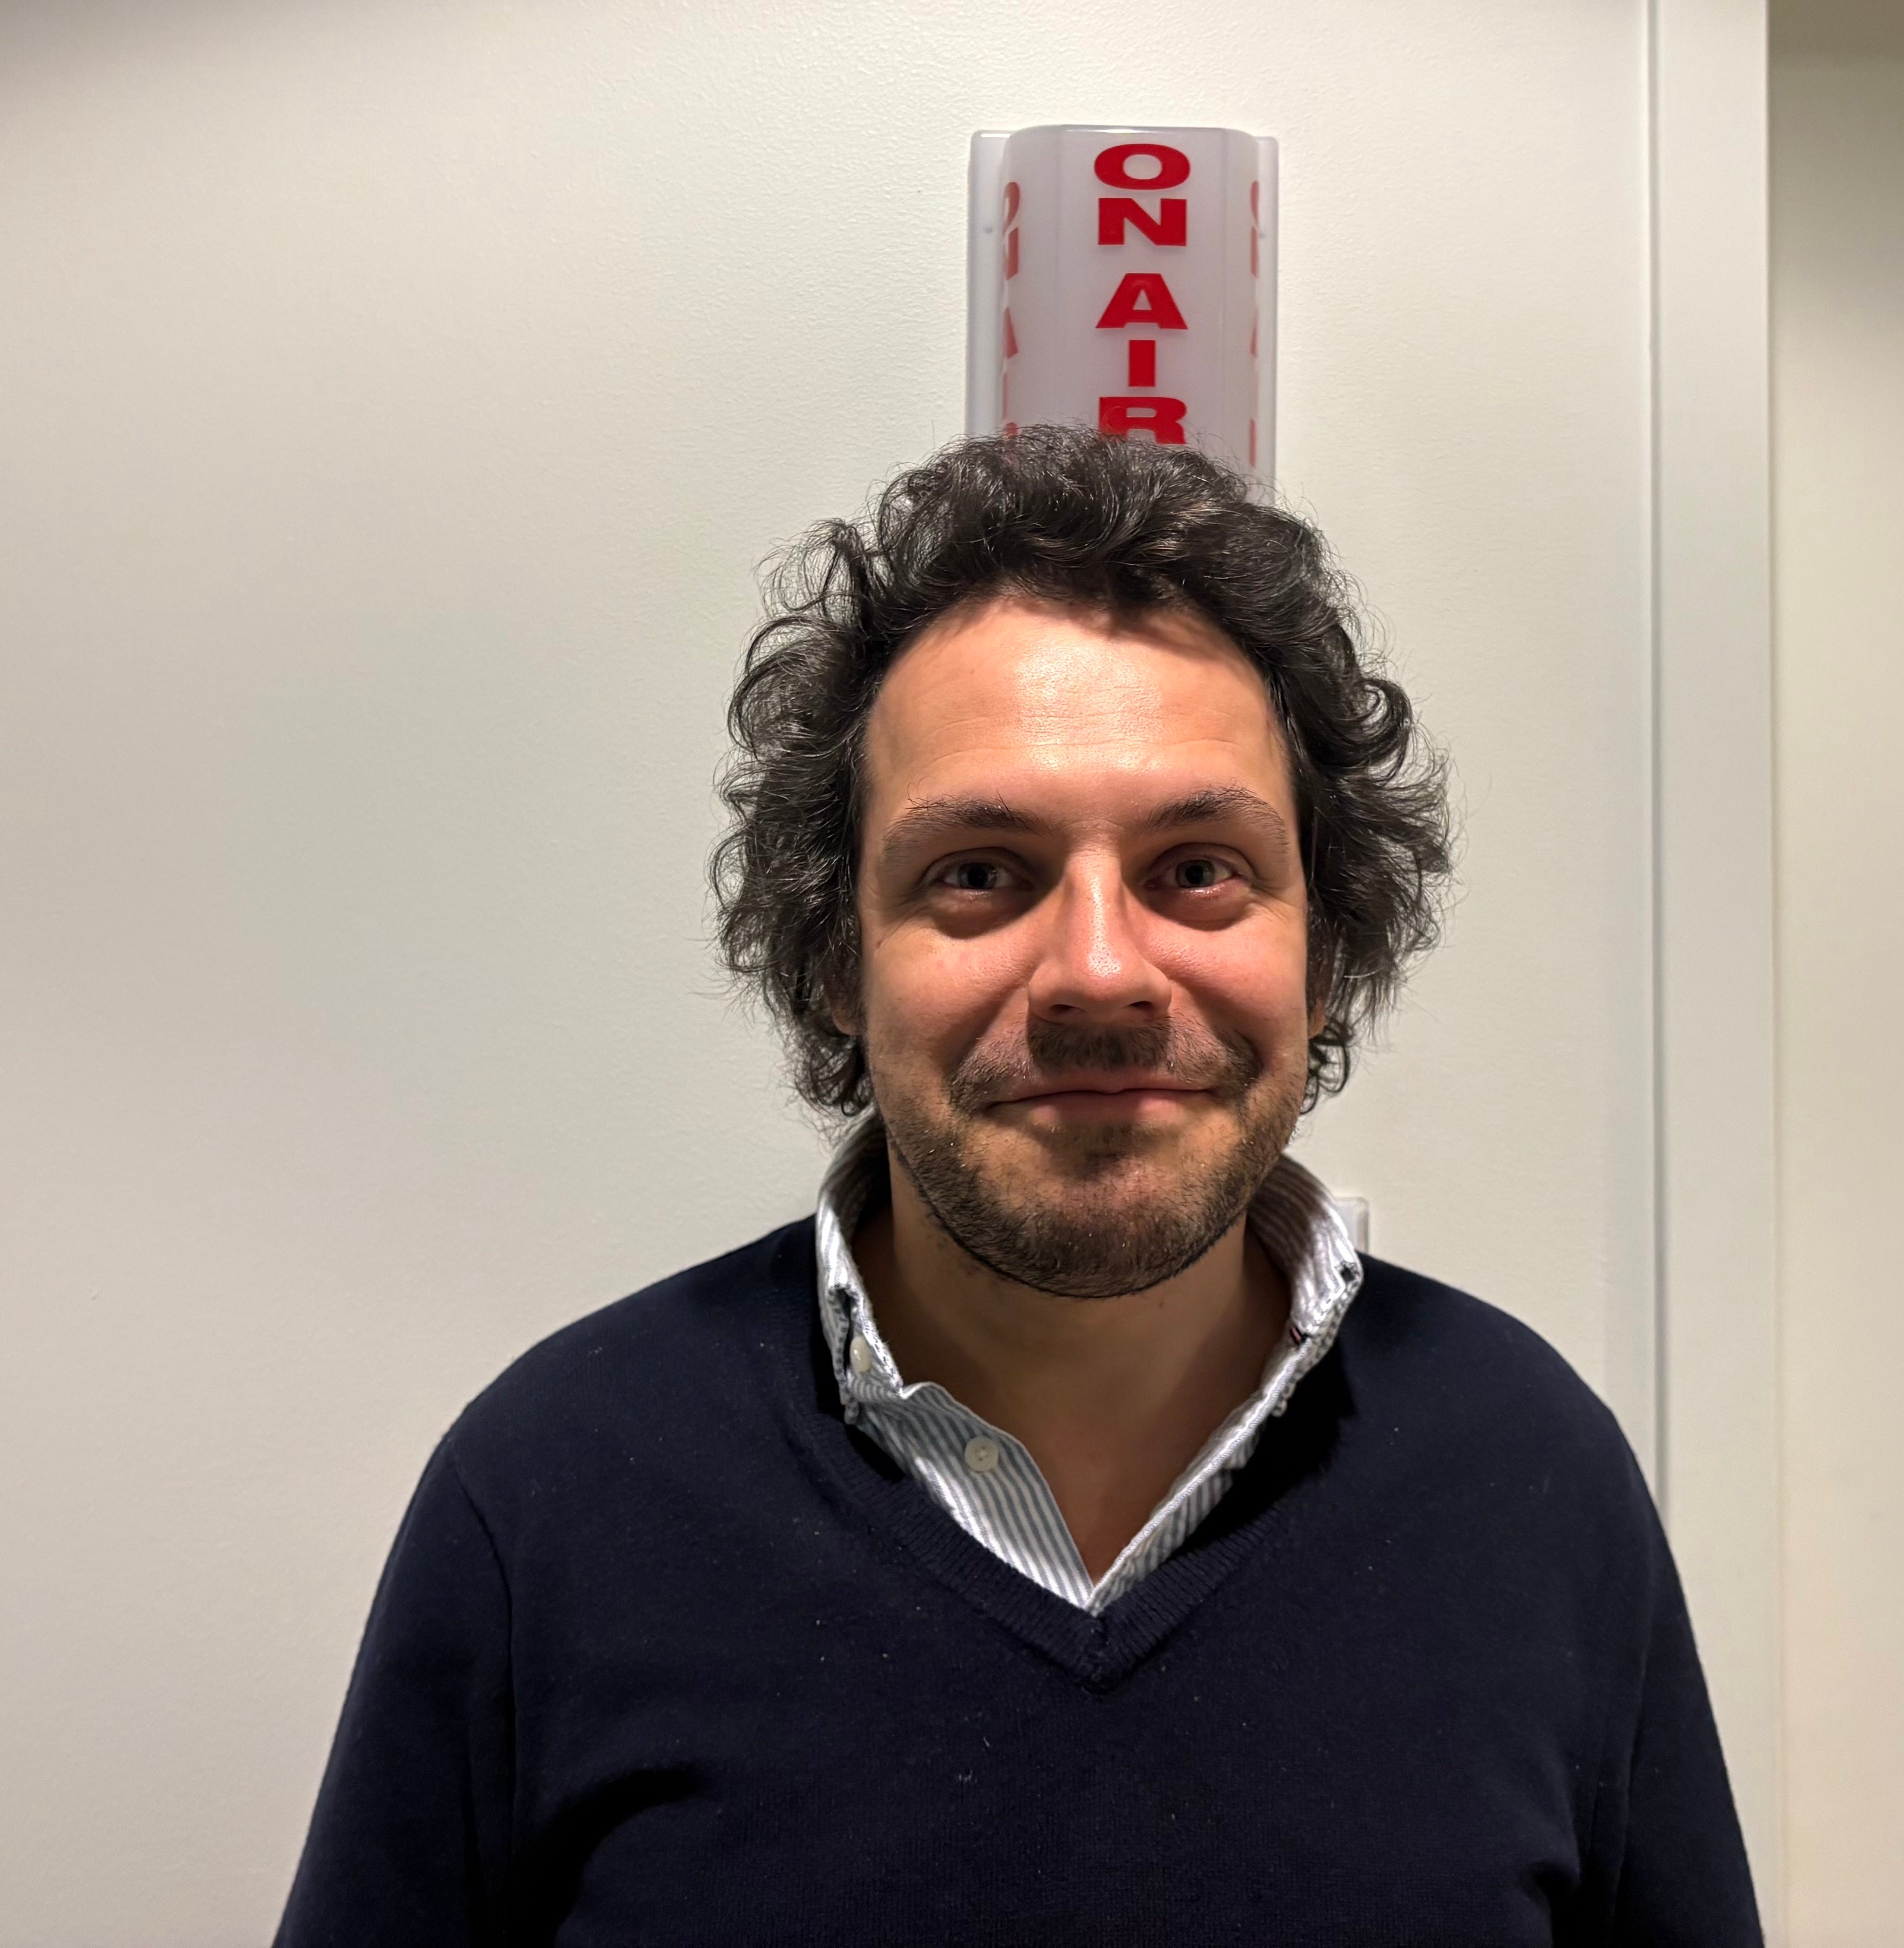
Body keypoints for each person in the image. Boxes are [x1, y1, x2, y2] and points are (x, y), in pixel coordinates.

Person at [275, 427, 1761, 1945]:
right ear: (838, 958)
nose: (1100, 973)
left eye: (1199, 868)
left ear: (1322, 950)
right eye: (979, 872)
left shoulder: (1537, 1482)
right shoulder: (549, 1496)